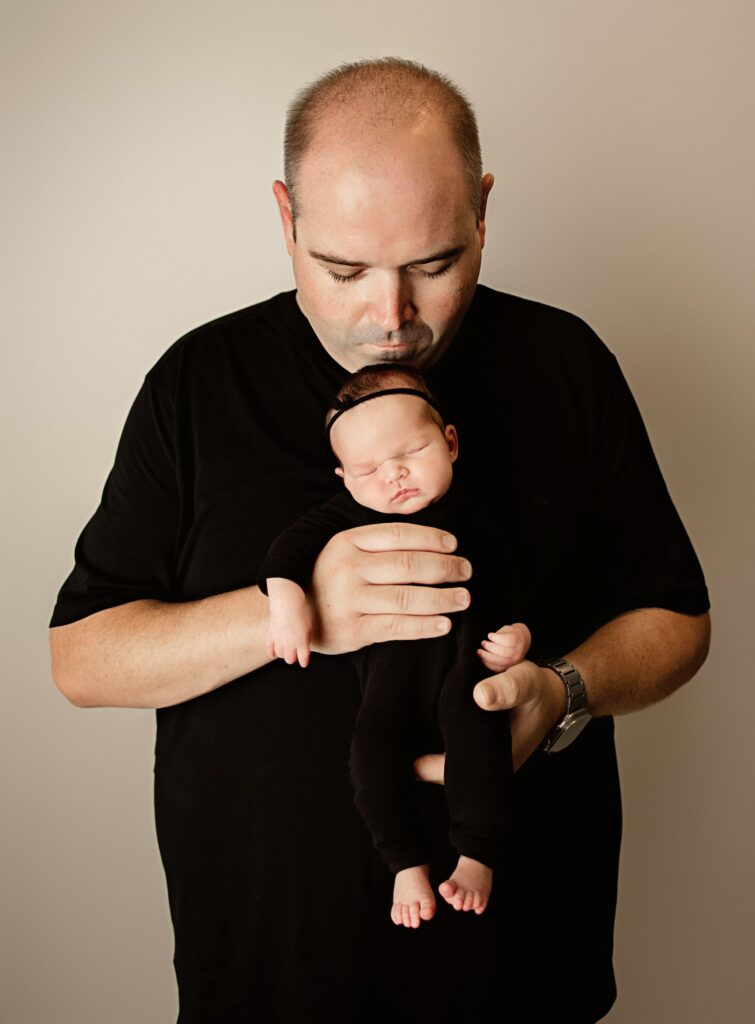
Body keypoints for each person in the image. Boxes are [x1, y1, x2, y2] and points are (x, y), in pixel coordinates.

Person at [48, 57, 711, 1023]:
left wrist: (562, 692)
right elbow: (81, 659)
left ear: (482, 212)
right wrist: (293, 611)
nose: (391, 318)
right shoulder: (196, 383)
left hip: (524, 976)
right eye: (344, 269)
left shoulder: (565, 363)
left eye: (433, 266)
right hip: (265, 982)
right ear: (286, 219)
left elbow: (678, 621)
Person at [260, 362, 531, 927]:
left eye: (411, 451)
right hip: (391, 682)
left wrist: (521, 635)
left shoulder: (486, 512)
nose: (395, 475)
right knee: (369, 754)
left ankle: (477, 856)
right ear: (344, 478)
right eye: (368, 469)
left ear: (450, 442)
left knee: (481, 737)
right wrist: (288, 605)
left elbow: (526, 584)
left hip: (469, 670)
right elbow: (285, 553)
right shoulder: (347, 517)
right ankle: (406, 863)